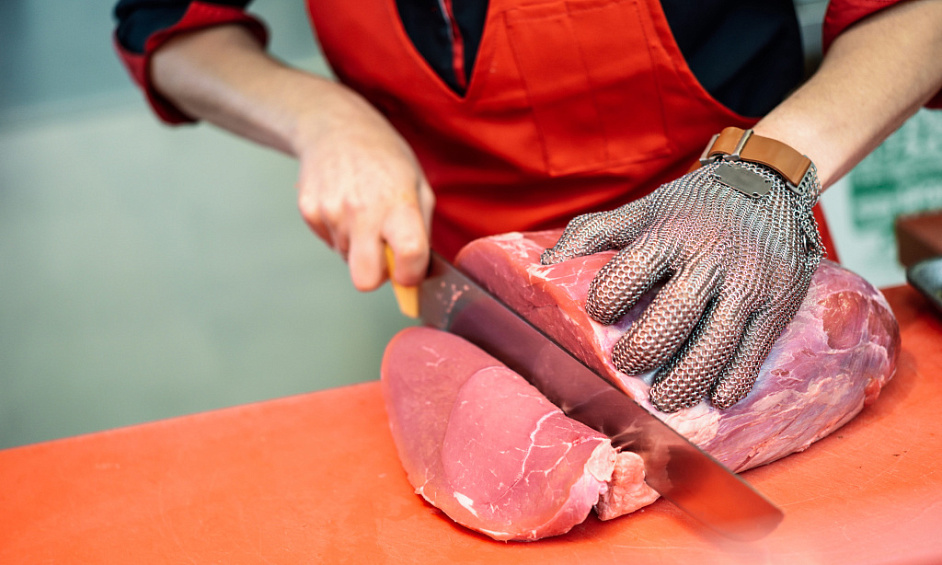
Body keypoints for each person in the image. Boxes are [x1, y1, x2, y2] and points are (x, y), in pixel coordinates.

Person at [112, 0, 942, 411]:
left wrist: (767, 172)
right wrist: (324, 118)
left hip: (744, 258)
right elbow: (173, 27)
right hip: (488, 296)